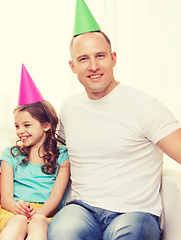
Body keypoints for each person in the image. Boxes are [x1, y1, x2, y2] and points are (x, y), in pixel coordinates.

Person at [48, 1, 181, 239]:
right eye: (83, 59)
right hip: (82, 209)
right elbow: (58, 155)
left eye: (100, 56)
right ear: (72, 66)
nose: (94, 66)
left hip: (135, 212)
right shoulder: (69, 108)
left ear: (114, 58)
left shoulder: (145, 106)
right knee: (62, 232)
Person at [0, 65, 70, 240]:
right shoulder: (10, 154)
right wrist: (18, 209)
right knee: (19, 222)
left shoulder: (62, 155)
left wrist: (36, 215)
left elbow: (56, 197)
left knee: (37, 222)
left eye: (27, 125)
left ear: (46, 125)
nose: (20, 130)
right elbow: (5, 198)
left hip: (46, 212)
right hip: (14, 211)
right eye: (17, 126)